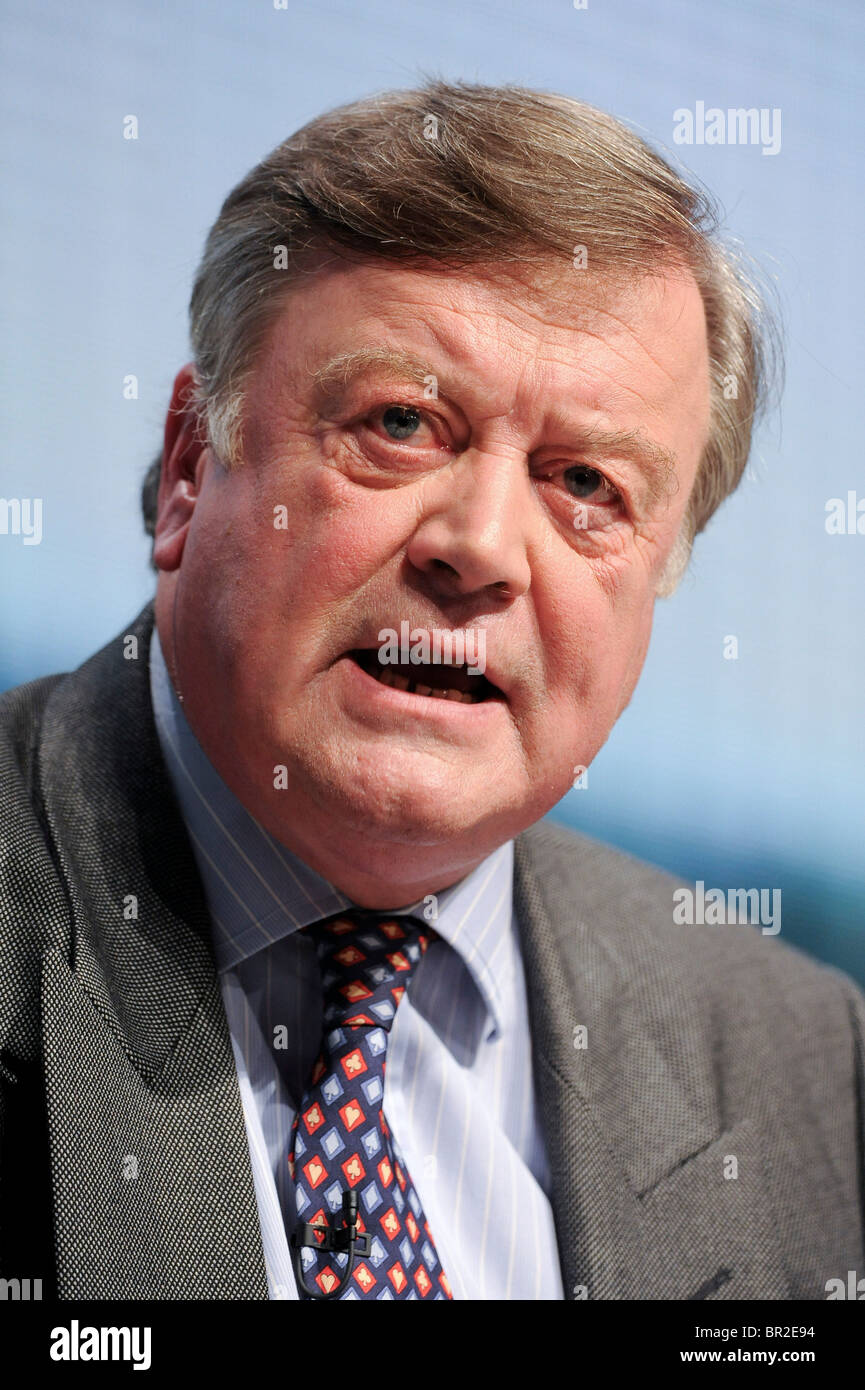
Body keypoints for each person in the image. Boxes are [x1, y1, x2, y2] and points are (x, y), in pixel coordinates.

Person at [1, 79, 862, 1302]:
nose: (482, 546)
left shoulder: (806, 1060)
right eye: (401, 422)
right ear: (194, 466)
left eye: (586, 484)